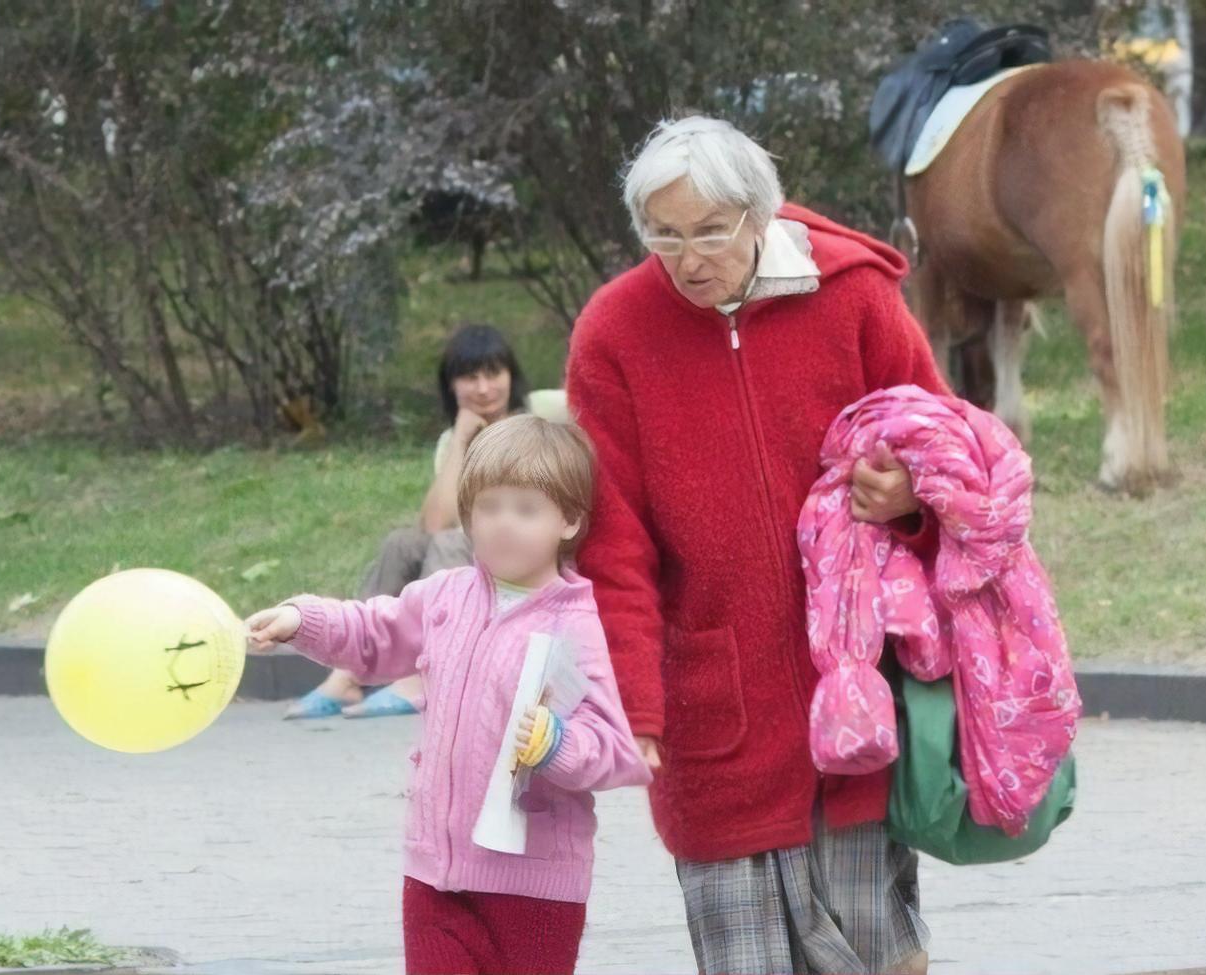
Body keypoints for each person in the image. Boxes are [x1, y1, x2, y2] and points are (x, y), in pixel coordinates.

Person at [565, 115, 952, 975]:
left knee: (879, 954)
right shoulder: (615, 332)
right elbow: (611, 539)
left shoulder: (854, 299)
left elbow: (951, 450)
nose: (688, 256)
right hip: (713, 705)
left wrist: (910, 499)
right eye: (663, 234)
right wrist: (633, 697)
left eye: (709, 230)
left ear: (760, 215)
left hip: (854, 691)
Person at [246, 414, 652, 975]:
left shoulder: (580, 624)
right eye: (488, 508)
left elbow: (613, 747)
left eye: (525, 509)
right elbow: (374, 632)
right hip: (434, 875)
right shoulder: (445, 595)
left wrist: (556, 744)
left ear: (569, 520)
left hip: (534, 889)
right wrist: (302, 619)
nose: (503, 524)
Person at [286, 323, 529, 720]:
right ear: (452, 386)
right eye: (470, 377)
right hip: (473, 542)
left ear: (510, 377)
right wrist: (461, 441)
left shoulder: (532, 427)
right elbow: (433, 522)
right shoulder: (455, 437)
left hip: (527, 546)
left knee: (448, 544)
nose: (484, 388)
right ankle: (348, 674)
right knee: (402, 542)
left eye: (493, 374)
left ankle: (424, 675)